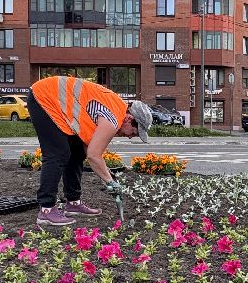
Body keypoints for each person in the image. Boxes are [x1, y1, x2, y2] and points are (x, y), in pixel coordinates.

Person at [26, 76, 153, 227]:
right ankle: (46, 210)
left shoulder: (115, 109)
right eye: (135, 132)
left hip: (54, 102)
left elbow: (89, 149)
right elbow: (94, 156)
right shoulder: (113, 119)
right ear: (129, 118)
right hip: (44, 98)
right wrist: (110, 182)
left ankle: (73, 202)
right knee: (58, 153)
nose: (131, 136)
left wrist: (106, 175)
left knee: (76, 152)